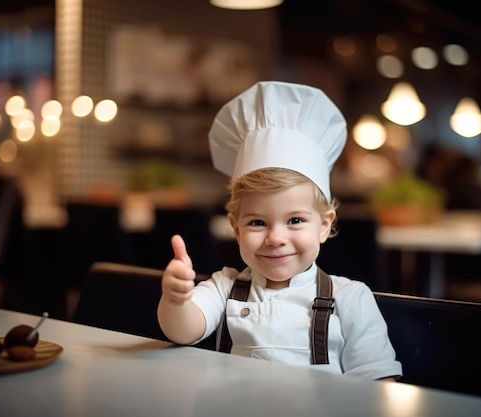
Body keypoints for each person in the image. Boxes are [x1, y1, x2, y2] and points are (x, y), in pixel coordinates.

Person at [158, 81, 402, 381]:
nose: (275, 238)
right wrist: (175, 301)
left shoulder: (351, 299)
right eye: (257, 222)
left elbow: (379, 384)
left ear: (324, 225)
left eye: (295, 220)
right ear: (236, 228)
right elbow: (183, 330)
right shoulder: (224, 288)